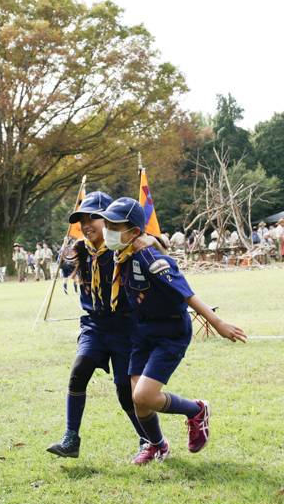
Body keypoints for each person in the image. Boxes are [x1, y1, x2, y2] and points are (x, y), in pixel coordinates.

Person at [97, 198, 247, 465]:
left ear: (134, 232)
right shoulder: (122, 252)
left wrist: (219, 324)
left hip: (169, 330)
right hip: (142, 331)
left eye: (113, 225)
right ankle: (158, 446)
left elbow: (186, 293)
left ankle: (196, 410)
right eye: (105, 224)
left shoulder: (148, 256)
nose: (106, 230)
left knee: (144, 395)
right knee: (138, 401)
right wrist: (155, 240)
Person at [46, 192, 168, 461]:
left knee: (127, 394)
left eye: (93, 218)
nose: (86, 224)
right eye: (82, 220)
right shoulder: (81, 249)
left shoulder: (128, 247)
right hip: (95, 326)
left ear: (110, 220)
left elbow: (161, 249)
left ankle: (151, 441)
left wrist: (153, 240)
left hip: (126, 329)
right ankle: (71, 438)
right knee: (79, 371)